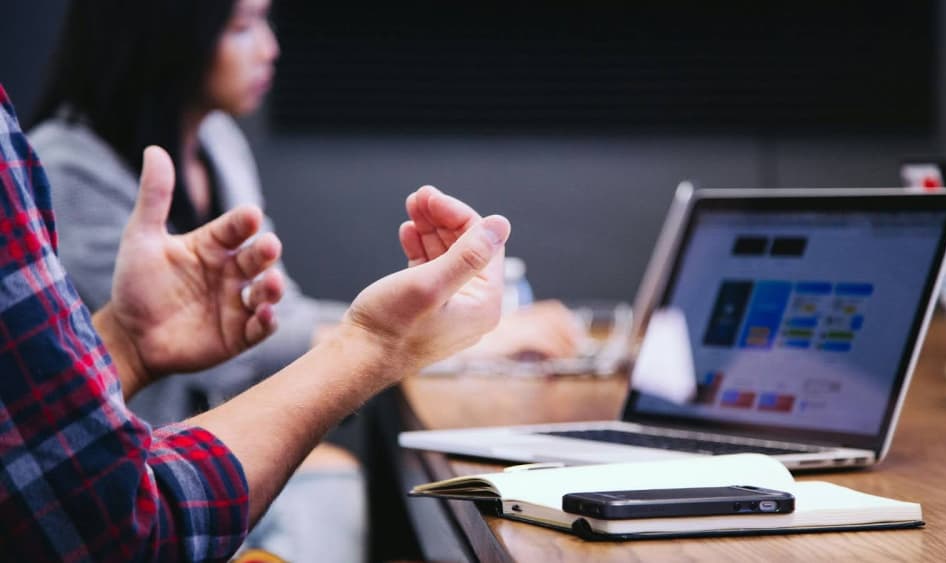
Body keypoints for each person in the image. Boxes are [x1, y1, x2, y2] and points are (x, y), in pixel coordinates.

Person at [28, 0, 581, 558]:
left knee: (347, 487)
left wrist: (423, 331)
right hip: (136, 491)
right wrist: (420, 341)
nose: (270, 48)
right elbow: (245, 351)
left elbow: (271, 316)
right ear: (162, 35)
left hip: (198, 460)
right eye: (242, 26)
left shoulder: (216, 141)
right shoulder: (66, 172)